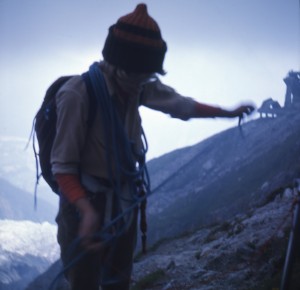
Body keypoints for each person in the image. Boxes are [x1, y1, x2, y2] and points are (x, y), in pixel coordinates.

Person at [51, 3, 255, 290]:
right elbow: (63, 167)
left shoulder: (138, 84)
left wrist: (227, 113)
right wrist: (86, 211)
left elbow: (181, 105)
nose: (143, 83)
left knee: (118, 281)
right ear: (119, 64)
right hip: (84, 203)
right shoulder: (77, 95)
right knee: (84, 283)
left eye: (147, 75)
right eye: (138, 74)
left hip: (123, 199)